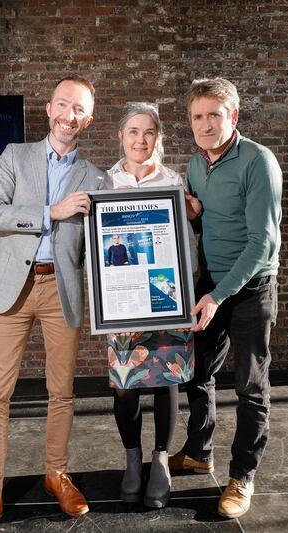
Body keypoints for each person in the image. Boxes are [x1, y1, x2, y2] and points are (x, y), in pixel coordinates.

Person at [0, 75, 106, 533]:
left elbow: (110, 240)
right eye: (62, 104)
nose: (68, 115)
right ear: (48, 108)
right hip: (12, 290)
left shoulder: (95, 177)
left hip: (63, 291)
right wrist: (49, 214)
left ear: (88, 119)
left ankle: (56, 473)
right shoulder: (16, 156)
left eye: (78, 109)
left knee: (63, 393)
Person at [168, 78, 281, 519]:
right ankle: (199, 450)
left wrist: (216, 295)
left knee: (250, 385)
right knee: (196, 371)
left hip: (251, 288)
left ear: (233, 116)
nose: (205, 124)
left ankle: (242, 476)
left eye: (214, 115)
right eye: (197, 116)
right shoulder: (196, 166)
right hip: (212, 283)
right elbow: (209, 229)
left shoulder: (258, 161)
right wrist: (194, 220)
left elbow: (261, 245)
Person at [104, 102, 198, 509]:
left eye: (149, 132)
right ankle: (132, 458)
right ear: (120, 136)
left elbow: (188, 241)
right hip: (122, 300)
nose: (141, 140)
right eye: (133, 132)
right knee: (126, 384)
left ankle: (160, 458)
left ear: (158, 137)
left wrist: (193, 215)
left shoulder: (175, 180)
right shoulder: (104, 182)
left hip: (167, 295)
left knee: (166, 378)